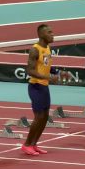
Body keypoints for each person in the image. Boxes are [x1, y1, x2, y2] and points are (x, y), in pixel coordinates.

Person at [22, 24, 68, 156]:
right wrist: (47, 77)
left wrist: (60, 72)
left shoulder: (47, 48)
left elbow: (47, 66)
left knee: (45, 117)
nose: (53, 34)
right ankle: (27, 145)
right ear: (41, 34)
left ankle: (34, 144)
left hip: (44, 87)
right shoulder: (35, 50)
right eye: (49, 32)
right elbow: (30, 71)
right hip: (35, 87)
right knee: (39, 117)